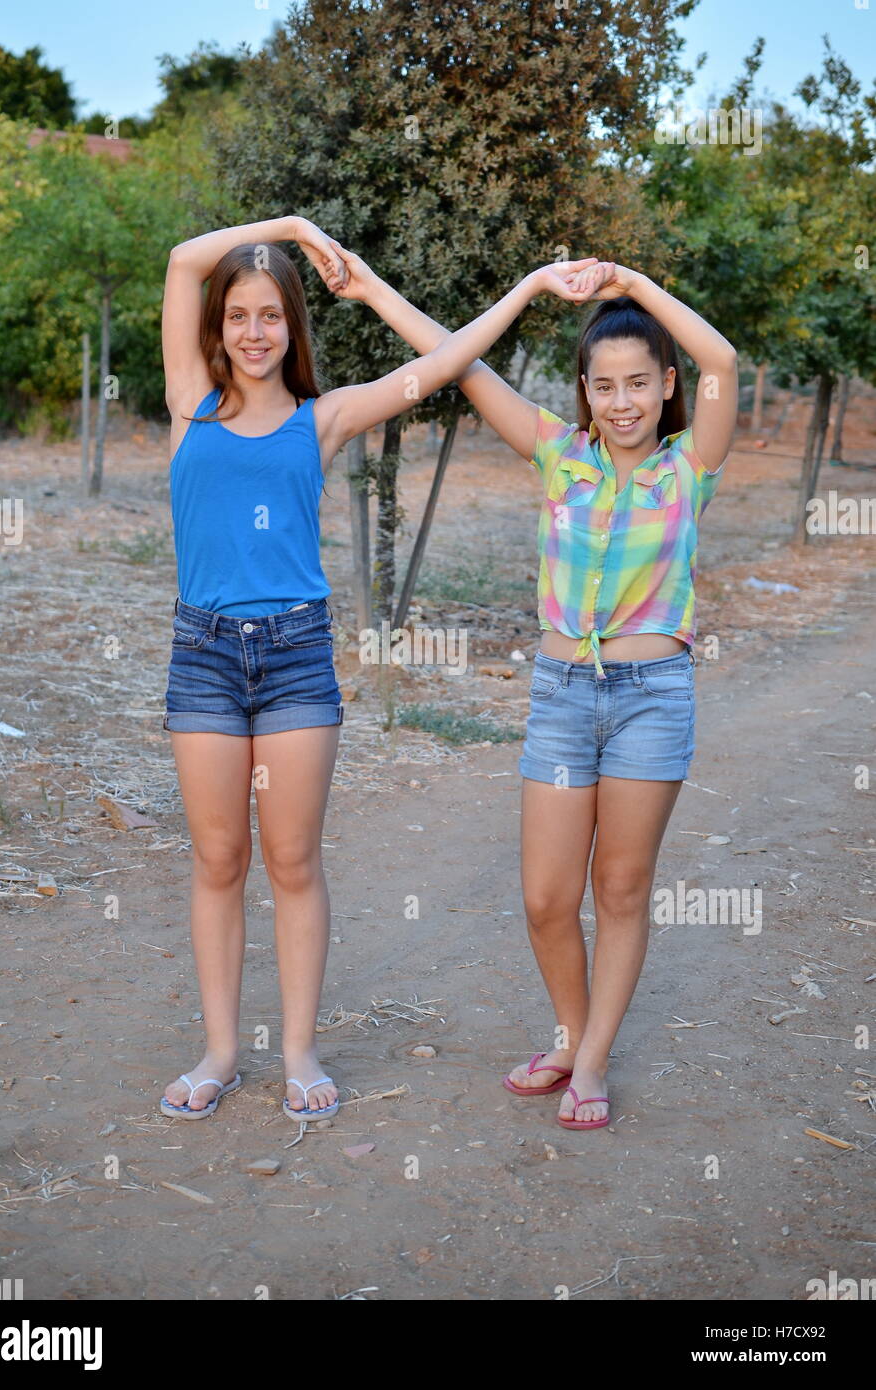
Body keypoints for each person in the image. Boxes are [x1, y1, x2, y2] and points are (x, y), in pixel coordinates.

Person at [158, 214, 605, 1120]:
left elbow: (442, 368)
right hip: (202, 653)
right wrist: (288, 227)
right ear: (217, 328)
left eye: (271, 316)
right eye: (238, 315)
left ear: (293, 327)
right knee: (216, 858)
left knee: (290, 859)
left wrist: (523, 288)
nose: (253, 332)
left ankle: (297, 1055)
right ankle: (217, 1052)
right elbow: (181, 259)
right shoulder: (186, 402)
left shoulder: (326, 419)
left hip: (292, 656)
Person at [323, 242, 737, 1129]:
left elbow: (721, 360)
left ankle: (587, 1062)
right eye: (602, 385)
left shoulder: (688, 470)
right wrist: (373, 291)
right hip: (559, 697)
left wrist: (631, 285)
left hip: (651, 700)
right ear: (581, 392)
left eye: (637, 383)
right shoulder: (558, 455)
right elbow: (457, 361)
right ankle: (568, 1031)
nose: (620, 402)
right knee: (547, 898)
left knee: (620, 890)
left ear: (664, 386)